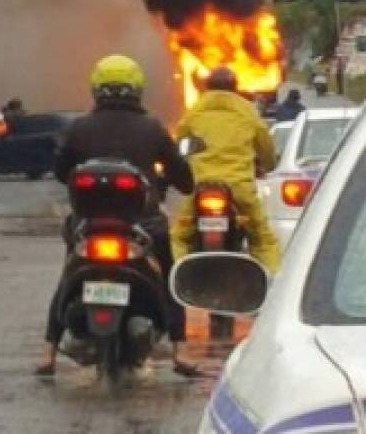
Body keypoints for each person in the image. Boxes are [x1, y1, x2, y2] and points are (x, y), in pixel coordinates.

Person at [35, 54, 196, 379]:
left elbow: (62, 172)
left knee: (68, 274)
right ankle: (181, 350)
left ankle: (49, 351)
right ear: (137, 89)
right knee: (168, 276)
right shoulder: (152, 128)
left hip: (87, 227)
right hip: (143, 226)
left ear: (96, 89)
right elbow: (185, 179)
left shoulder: (80, 128)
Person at [172, 66, 281, 275]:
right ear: (235, 87)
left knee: (179, 235)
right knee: (262, 237)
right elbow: (265, 148)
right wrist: (268, 165)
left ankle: (179, 276)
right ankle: (273, 286)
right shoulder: (248, 111)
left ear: (207, 86)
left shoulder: (194, 110)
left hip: (200, 186)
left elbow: (180, 145)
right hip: (239, 188)